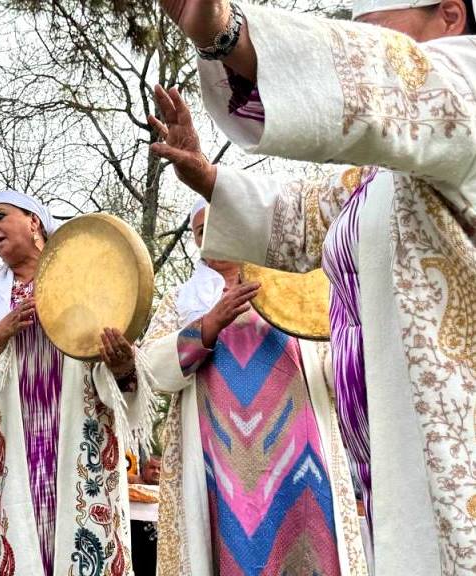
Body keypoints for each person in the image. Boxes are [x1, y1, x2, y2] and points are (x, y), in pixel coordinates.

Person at [151, 0, 476, 571]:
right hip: (399, 455)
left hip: (454, 448)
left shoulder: (466, 86)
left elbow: (381, 80)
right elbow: (302, 219)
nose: (360, 42)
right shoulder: (385, 176)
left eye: (373, 31)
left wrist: (228, 35)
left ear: (450, 16)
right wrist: (207, 177)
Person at [0, 189, 155, 576]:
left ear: (34, 221)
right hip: (8, 450)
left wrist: (120, 364)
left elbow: (121, 361)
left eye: (0, 215)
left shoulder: (80, 275)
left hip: (80, 441)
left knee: (87, 546)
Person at [139, 200, 366, 575]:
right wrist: (209, 324)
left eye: (220, 221)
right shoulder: (182, 303)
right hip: (218, 468)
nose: (210, 234)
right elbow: (151, 374)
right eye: (199, 230)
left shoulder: (292, 287)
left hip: (299, 462)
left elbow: (330, 368)